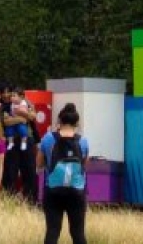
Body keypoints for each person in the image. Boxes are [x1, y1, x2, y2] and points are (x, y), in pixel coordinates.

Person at [38, 103, 89, 244]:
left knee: (53, 232)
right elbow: (84, 166)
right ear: (77, 123)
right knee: (78, 233)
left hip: (53, 191)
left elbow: (39, 163)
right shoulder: (83, 141)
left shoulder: (48, 138)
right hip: (76, 192)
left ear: (59, 121)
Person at [1, 84, 39, 202]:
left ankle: (30, 200)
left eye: (10, 93)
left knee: (29, 170)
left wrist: (25, 115)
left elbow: (33, 116)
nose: (7, 95)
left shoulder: (26, 102)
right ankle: (9, 200)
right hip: (11, 140)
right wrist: (22, 119)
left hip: (27, 139)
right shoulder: (2, 107)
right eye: (4, 92)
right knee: (10, 171)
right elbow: (6, 122)